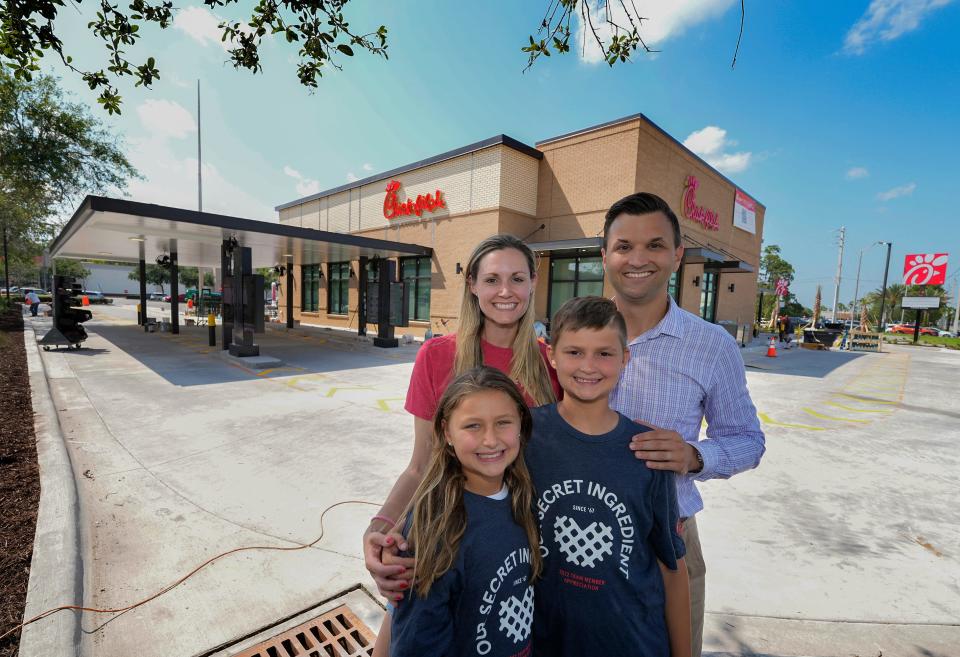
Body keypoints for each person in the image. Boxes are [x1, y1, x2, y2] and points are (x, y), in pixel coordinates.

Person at [364, 235, 560, 652]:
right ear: (471, 284)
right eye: (491, 279)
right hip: (445, 536)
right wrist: (379, 528)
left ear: (533, 283)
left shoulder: (554, 362)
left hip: (519, 542)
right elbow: (421, 466)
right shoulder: (436, 356)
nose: (505, 291)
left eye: (516, 278)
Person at [603, 192, 766, 657]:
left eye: (655, 245)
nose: (638, 259)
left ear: (677, 256)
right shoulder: (572, 334)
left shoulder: (711, 345)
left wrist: (696, 455)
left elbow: (748, 440)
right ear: (605, 255)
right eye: (624, 246)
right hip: (575, 529)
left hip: (669, 537)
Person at [527, 296, 690, 657]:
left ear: (624, 359)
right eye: (574, 352)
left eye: (604, 353)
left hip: (632, 643)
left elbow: (671, 567)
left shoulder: (647, 450)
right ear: (552, 356)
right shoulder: (525, 436)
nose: (588, 366)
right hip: (546, 641)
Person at [389, 367, 541, 657]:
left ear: (521, 423)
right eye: (473, 426)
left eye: (503, 423)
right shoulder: (435, 526)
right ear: (446, 432)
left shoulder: (525, 498)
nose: (490, 440)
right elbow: (416, 644)